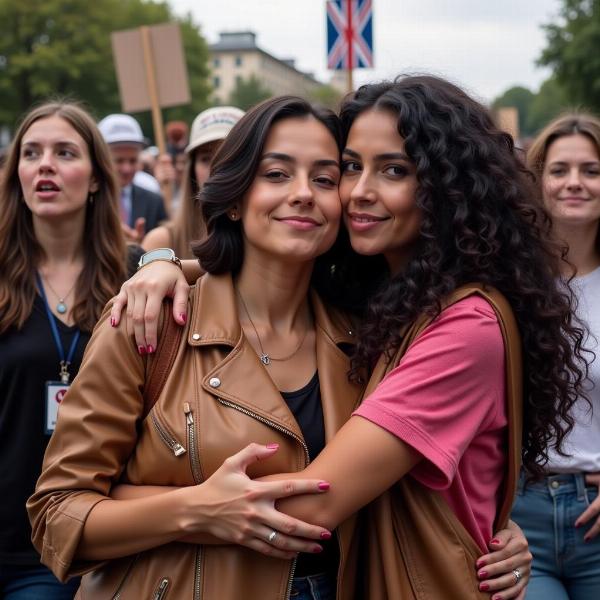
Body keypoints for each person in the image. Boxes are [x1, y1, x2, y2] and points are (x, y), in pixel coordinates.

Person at [27, 84, 552, 599]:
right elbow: (56, 514)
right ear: (234, 198)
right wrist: (195, 507)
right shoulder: (152, 319)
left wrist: (492, 524)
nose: (304, 192)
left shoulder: (369, 330)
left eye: (325, 177)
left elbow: (366, 497)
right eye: (276, 174)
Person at [0, 101, 144, 599]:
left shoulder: (138, 275)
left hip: (68, 542)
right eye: (32, 153)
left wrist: (166, 260)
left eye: (65, 153)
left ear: (98, 178)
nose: (45, 165)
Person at [510, 113, 600, 599]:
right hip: (519, 516)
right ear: (538, 180)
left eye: (591, 170)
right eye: (560, 169)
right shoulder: (509, 284)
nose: (575, 183)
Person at [143, 106, 244, 258]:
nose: (216, 168)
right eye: (206, 159)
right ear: (192, 170)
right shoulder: (162, 243)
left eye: (230, 156)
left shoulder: (273, 239)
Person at [98, 114, 168, 243]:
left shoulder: (154, 201)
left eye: (133, 161)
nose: (127, 169)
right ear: (101, 159)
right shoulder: (85, 201)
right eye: (118, 161)